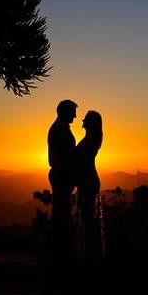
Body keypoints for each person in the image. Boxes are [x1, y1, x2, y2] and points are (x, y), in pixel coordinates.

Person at [47, 99, 78, 258]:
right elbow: (66, 156)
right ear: (65, 112)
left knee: (62, 210)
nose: (75, 115)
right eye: (73, 112)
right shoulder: (60, 129)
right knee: (62, 211)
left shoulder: (60, 127)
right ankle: (60, 249)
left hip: (61, 173)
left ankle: (59, 247)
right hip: (61, 174)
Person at [75, 110, 103, 259]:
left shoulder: (90, 141)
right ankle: (89, 250)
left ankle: (90, 252)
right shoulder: (90, 139)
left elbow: (82, 161)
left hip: (88, 180)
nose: (82, 121)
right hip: (87, 179)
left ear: (90, 123)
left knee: (87, 217)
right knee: (86, 216)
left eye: (85, 119)